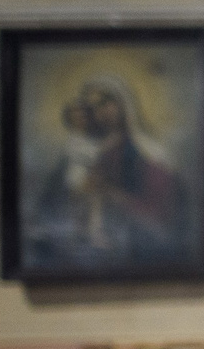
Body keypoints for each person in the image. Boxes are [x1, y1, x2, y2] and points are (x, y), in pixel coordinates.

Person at [26, 75, 192, 270]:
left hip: (137, 248)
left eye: (105, 102)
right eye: (91, 108)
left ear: (124, 103)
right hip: (86, 251)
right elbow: (51, 204)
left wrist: (110, 193)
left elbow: (164, 216)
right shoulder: (81, 150)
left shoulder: (148, 152)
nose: (99, 112)